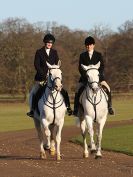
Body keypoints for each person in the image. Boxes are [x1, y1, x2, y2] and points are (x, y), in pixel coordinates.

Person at [27, 33, 72, 117]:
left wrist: (55, 72)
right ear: (45, 42)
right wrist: (44, 74)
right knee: (35, 92)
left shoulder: (54, 52)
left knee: (64, 91)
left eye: (51, 43)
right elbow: (36, 65)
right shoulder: (39, 52)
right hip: (41, 78)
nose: (49, 44)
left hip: (53, 78)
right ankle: (32, 110)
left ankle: (68, 107)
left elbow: (57, 64)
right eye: (48, 43)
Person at [73, 36, 114, 116]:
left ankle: (110, 107)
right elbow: (80, 68)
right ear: (85, 46)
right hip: (85, 78)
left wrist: (97, 75)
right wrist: (86, 76)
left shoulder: (98, 55)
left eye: (90, 45)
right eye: (87, 45)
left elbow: (102, 66)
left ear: (93, 45)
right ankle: (76, 109)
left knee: (108, 88)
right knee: (77, 90)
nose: (88, 46)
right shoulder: (82, 55)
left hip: (98, 78)